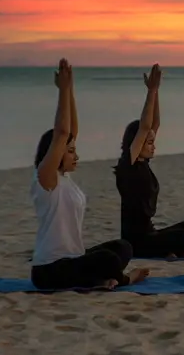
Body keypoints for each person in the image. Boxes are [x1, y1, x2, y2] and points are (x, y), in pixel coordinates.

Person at [30, 59, 149, 290]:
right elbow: (62, 133)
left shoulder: (64, 179)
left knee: (123, 247)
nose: (76, 156)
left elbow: (70, 131)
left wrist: (70, 89)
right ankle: (124, 279)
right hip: (49, 271)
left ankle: (101, 279)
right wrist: (63, 91)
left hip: (73, 260)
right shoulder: (46, 179)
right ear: (54, 154)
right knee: (109, 261)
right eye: (71, 152)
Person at [114, 64, 184, 259]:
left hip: (152, 234)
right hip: (136, 242)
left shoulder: (143, 164)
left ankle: (180, 248)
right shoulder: (129, 166)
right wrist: (150, 92)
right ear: (137, 142)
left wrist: (156, 91)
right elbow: (145, 126)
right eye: (149, 143)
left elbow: (153, 124)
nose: (153, 146)